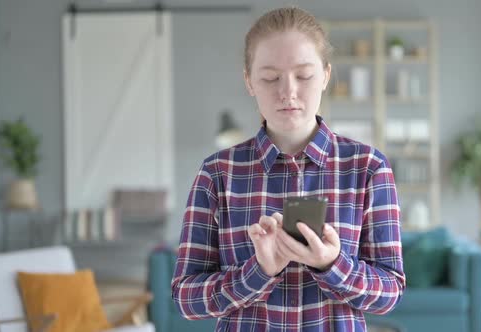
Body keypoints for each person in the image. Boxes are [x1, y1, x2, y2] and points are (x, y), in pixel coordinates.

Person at [172, 7, 405, 331]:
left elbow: (390, 292)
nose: (288, 92)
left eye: (304, 75)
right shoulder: (217, 173)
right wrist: (259, 271)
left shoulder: (369, 168)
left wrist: (331, 264)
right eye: (270, 77)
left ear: (325, 75)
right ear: (249, 81)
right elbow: (185, 298)